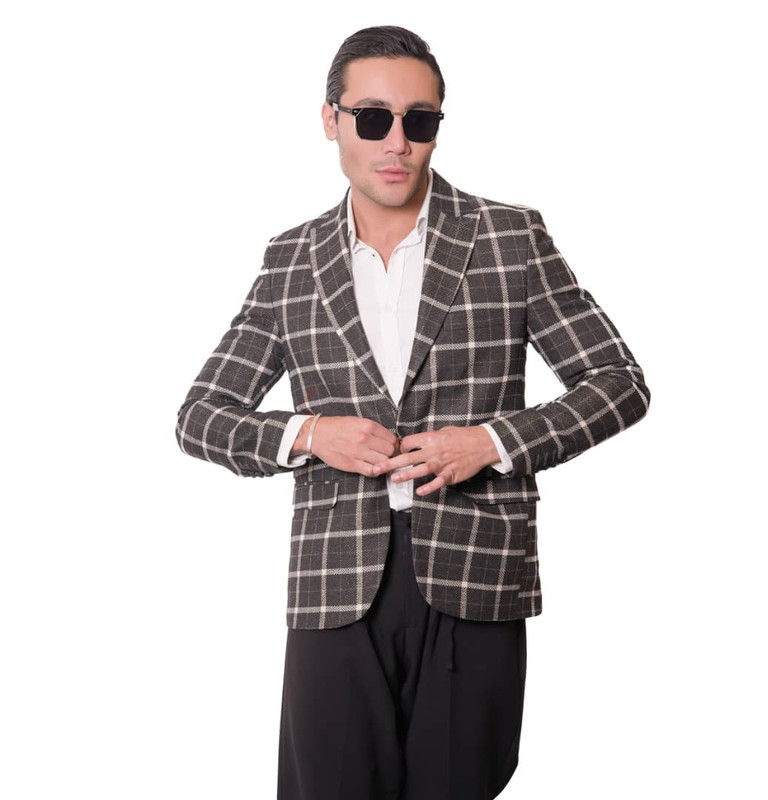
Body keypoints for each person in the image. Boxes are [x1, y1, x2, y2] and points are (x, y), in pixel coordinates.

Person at [175, 24, 650, 800]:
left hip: (476, 573)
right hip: (335, 584)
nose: (396, 143)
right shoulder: (290, 259)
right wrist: (311, 433)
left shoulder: (510, 237)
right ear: (330, 120)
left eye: (418, 121)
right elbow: (202, 415)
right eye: (372, 118)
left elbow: (618, 381)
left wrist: (493, 441)